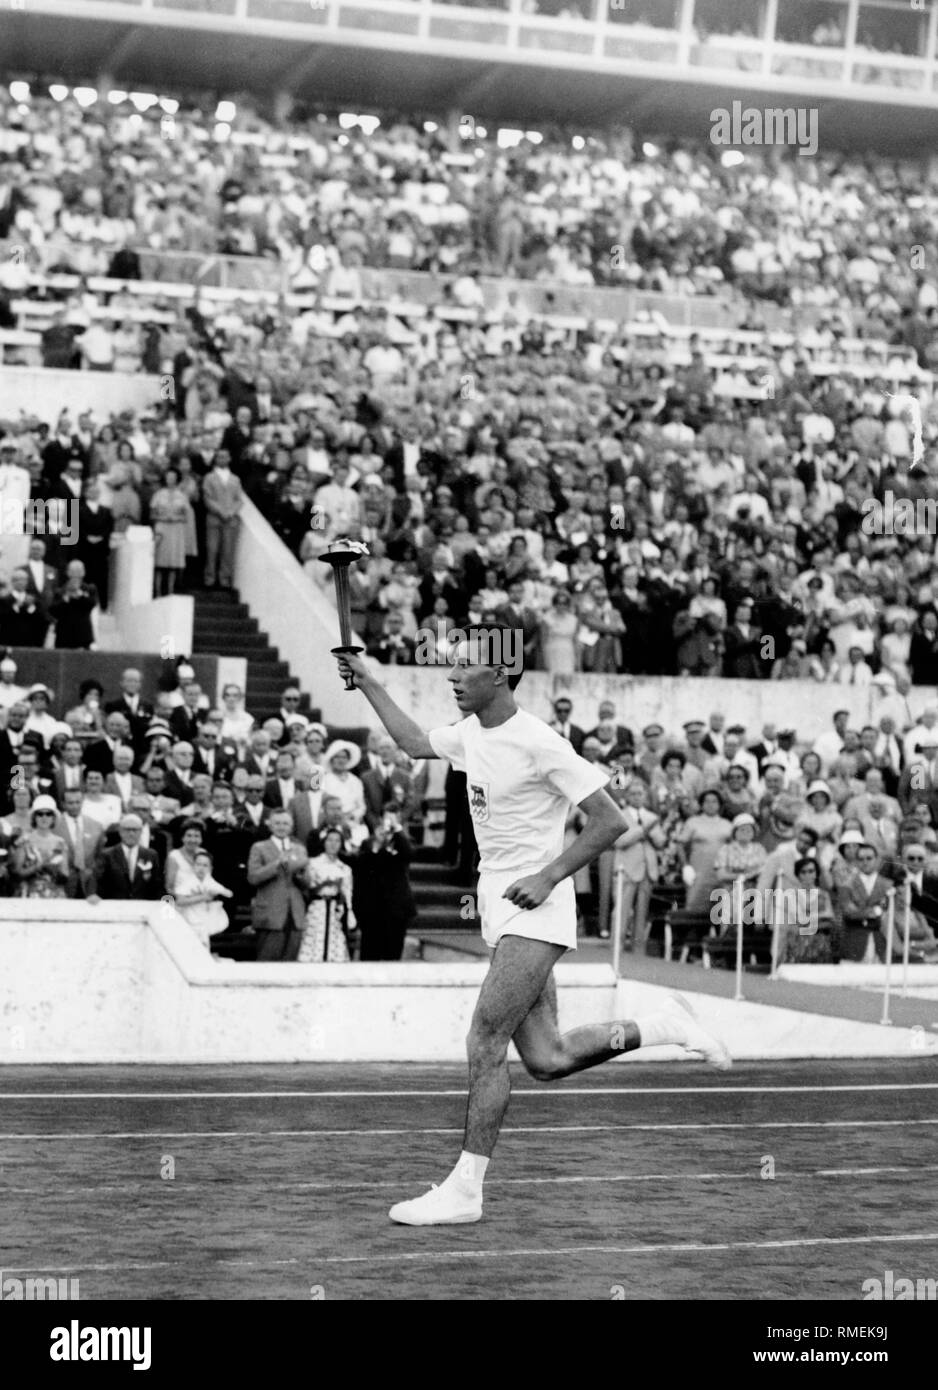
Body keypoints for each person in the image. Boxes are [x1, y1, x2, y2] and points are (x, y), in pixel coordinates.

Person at [333, 626, 730, 1228]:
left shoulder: (541, 743)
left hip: (535, 909)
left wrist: (548, 877)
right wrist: (368, 681)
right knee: (548, 1058)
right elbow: (414, 741)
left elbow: (609, 819)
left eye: (465, 669)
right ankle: (664, 1026)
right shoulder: (471, 732)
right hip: (502, 906)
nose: (453, 676)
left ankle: (466, 1189)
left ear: (500, 675)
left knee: (483, 1042)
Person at [353, 810, 417, 960]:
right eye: (387, 817)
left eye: (393, 818)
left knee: (392, 955)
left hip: (396, 910)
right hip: (372, 909)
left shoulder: (403, 841)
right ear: (381, 818)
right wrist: (377, 844)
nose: (389, 821)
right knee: (369, 955)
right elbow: (363, 866)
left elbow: (409, 855)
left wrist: (397, 830)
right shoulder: (368, 842)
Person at [297, 827, 357, 962]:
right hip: (317, 908)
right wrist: (324, 884)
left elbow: (348, 894)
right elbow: (307, 888)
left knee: (334, 942)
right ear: (324, 842)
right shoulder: (313, 863)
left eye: (337, 841)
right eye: (330, 840)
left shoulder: (345, 868)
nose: (333, 844)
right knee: (314, 940)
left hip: (335, 910)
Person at [171, 847, 232, 950]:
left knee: (203, 945)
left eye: (205, 865)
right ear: (193, 866)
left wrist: (220, 892)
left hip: (203, 919)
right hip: (189, 919)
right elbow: (180, 901)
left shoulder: (209, 881)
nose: (201, 868)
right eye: (198, 864)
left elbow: (227, 893)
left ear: (210, 868)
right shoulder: (188, 883)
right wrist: (203, 897)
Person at [11, 796, 69, 898]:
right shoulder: (24, 841)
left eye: (48, 814)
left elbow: (65, 875)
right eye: (40, 814)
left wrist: (56, 871)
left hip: (55, 895)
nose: (44, 817)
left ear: (53, 818)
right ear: (34, 817)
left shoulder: (61, 843)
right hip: (29, 894)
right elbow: (17, 873)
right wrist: (38, 867)